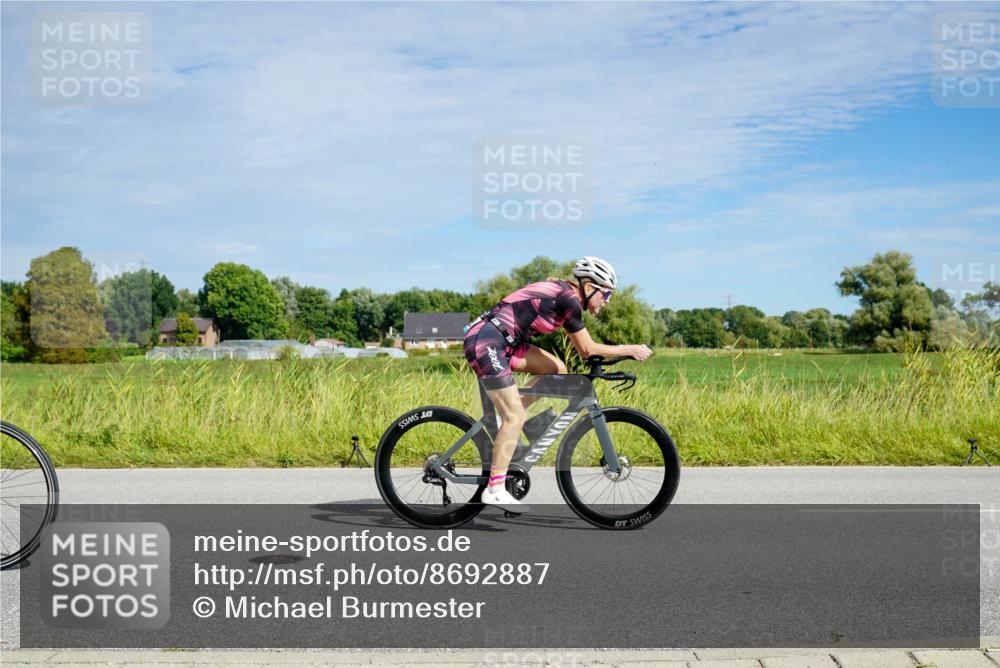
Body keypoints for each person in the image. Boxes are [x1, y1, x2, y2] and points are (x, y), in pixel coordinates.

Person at [462, 256, 652, 513]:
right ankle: (495, 488)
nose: (606, 302)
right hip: (487, 342)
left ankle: (508, 421)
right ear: (588, 288)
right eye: (605, 295)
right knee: (514, 416)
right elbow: (585, 349)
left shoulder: (565, 295)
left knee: (556, 369)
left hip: (503, 342)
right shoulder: (569, 299)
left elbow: (581, 347)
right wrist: (629, 349)